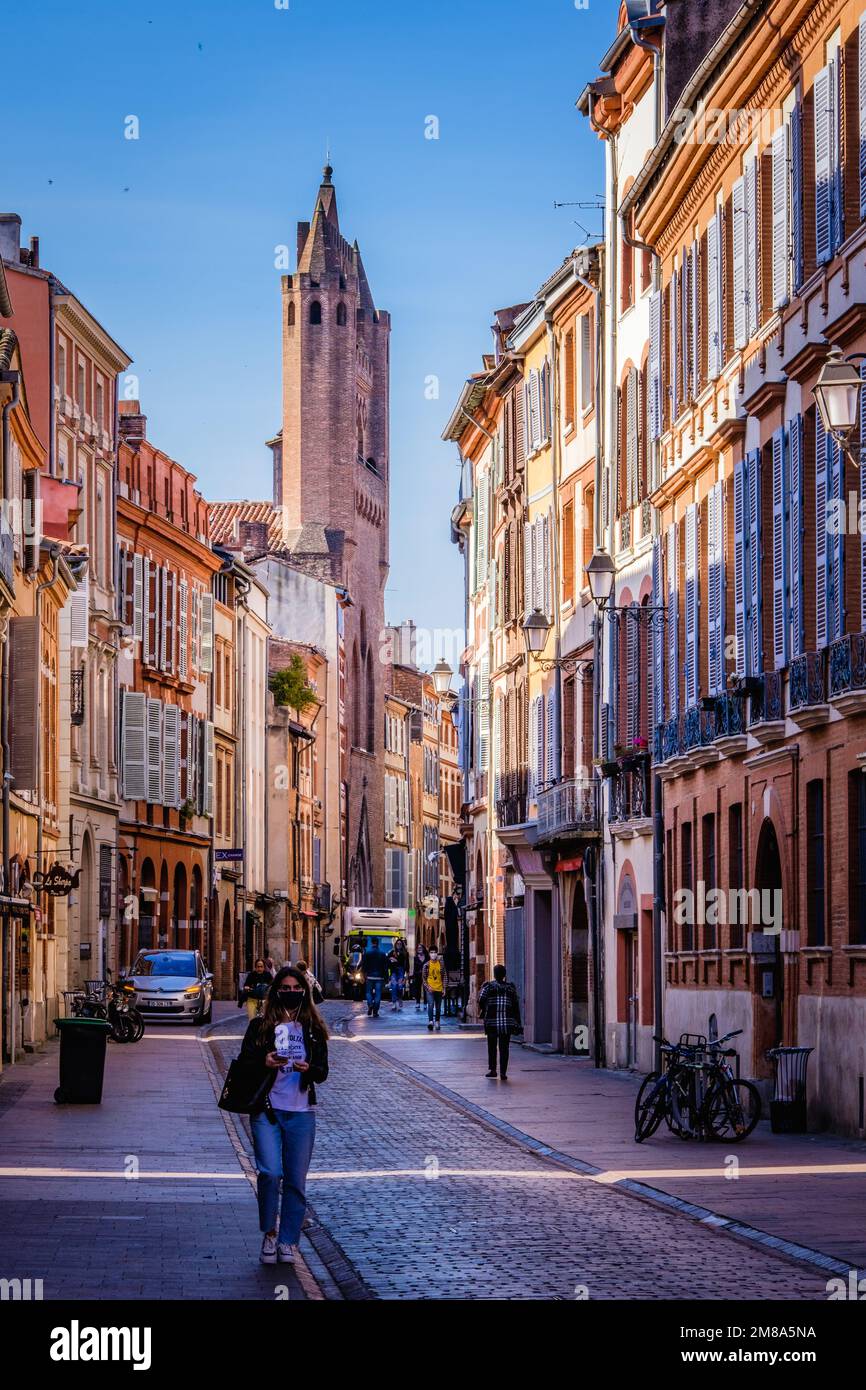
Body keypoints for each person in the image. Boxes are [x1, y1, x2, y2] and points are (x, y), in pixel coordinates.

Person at [239, 965, 329, 1265]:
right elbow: (244, 1063)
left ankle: (289, 1242)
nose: (291, 993)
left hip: (301, 1113)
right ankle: (270, 1233)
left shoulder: (313, 1029)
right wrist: (264, 1060)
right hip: (267, 1109)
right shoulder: (261, 1026)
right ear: (276, 991)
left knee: (295, 1181)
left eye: (296, 988)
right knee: (269, 1173)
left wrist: (309, 1069)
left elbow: (323, 1072)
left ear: (304, 991)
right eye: (286, 988)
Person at [478, 964, 522, 1080]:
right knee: (504, 1047)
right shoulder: (510, 988)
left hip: (491, 1022)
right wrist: (518, 1021)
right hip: (506, 1023)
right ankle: (503, 1072)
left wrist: (485, 1009)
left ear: (494, 974)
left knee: (492, 1046)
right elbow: (515, 1006)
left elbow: (481, 1000)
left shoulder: (488, 987)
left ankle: (493, 1070)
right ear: (504, 975)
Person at [362, 938, 389, 1017]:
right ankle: (375, 1011)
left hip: (369, 976)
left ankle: (370, 1004)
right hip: (379, 977)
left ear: (372, 943)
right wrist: (386, 978)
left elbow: (364, 965)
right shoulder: (382, 954)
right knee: (378, 994)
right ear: (378, 943)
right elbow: (385, 967)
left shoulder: (367, 953)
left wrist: (364, 975)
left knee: (368, 992)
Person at [423, 948, 446, 1032]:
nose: (433, 954)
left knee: (438, 1007)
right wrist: (428, 987)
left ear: (437, 953)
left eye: (435, 952)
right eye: (431, 952)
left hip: (439, 988)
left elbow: (444, 976)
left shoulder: (441, 964)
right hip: (430, 989)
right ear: (429, 954)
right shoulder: (426, 965)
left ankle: (437, 1021)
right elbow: (424, 979)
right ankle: (430, 1021)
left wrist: (444, 988)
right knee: (431, 1004)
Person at [387, 941, 407, 1011]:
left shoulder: (405, 953)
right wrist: (390, 960)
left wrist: (406, 976)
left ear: (402, 945)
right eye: (397, 944)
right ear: (395, 944)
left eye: (400, 944)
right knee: (394, 986)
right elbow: (388, 963)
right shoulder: (391, 952)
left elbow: (406, 964)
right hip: (393, 972)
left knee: (400, 986)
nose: (399, 945)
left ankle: (400, 998)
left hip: (401, 971)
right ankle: (394, 1002)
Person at [410, 943, 429, 1011]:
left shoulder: (427, 957)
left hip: (426, 976)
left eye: (420, 947)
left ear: (423, 949)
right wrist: (414, 975)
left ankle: (425, 1003)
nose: (419, 949)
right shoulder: (415, 958)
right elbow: (415, 968)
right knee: (417, 989)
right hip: (418, 975)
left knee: (425, 990)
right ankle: (417, 1003)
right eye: (418, 948)